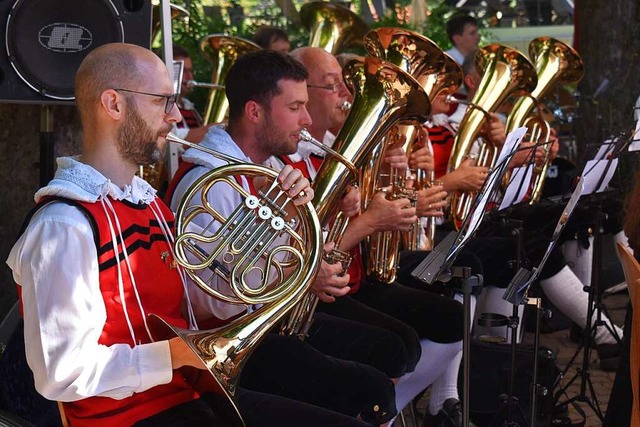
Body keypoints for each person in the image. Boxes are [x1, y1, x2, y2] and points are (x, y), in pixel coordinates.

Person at [5, 42, 370, 427]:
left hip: (183, 396)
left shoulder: (149, 205)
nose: (175, 115)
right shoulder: (64, 225)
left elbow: (214, 304)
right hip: (126, 418)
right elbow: (60, 373)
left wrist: (284, 212)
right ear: (113, 105)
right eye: (162, 101)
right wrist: (175, 356)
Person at [165, 49, 405, 426]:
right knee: (371, 384)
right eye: (295, 108)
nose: (307, 120)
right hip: (225, 344)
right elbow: (214, 301)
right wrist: (305, 274)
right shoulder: (209, 183)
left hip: (264, 328)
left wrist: (307, 233)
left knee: (381, 368)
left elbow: (273, 254)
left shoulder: (267, 168)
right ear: (255, 112)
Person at [271, 46, 467, 427]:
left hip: (345, 280)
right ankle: (382, 412)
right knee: (397, 346)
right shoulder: (294, 157)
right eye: (333, 87)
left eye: (345, 85)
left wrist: (406, 189)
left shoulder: (326, 150)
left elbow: (350, 232)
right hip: (317, 295)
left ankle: (413, 404)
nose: (346, 95)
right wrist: (370, 219)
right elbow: (308, 252)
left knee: (449, 305)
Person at [172, 45, 213, 144]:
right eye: (183, 71)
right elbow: (177, 141)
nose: (189, 76)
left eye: (190, 71)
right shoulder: (163, 106)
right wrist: (219, 127)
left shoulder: (188, 105)